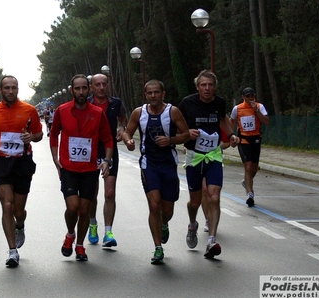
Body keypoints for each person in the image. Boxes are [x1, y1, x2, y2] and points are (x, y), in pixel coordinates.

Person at [0, 75, 43, 267]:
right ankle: (12, 251)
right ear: (1, 90)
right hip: (1, 163)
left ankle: (20, 225)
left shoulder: (29, 110)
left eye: (14, 88)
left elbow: (39, 134)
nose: (10, 91)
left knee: (18, 210)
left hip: (22, 163)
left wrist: (31, 136)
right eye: (6, 88)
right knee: (7, 205)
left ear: (18, 89)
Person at [123, 80, 190, 264]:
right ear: (145, 95)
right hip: (149, 164)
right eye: (150, 93)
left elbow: (186, 134)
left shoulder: (173, 111)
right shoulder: (139, 112)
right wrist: (129, 142)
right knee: (154, 205)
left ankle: (164, 223)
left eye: (156, 92)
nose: (153, 96)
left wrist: (170, 140)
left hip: (168, 164)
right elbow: (127, 132)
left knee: (167, 210)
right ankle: (158, 248)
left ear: (163, 94)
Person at [50, 74, 114, 262]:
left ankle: (79, 245)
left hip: (89, 170)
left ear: (89, 90)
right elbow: (54, 135)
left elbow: (108, 139)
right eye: (77, 88)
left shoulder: (97, 112)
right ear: (72, 90)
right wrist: (55, 158)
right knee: (73, 207)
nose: (80, 92)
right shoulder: (62, 110)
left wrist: (107, 160)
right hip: (68, 168)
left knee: (84, 210)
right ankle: (70, 234)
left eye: (84, 88)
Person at [178, 69, 239, 259]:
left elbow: (223, 120)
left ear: (214, 87)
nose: (207, 88)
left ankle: (212, 240)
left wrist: (231, 135)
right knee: (195, 201)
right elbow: (176, 124)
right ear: (197, 87)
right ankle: (192, 224)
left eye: (210, 85)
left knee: (214, 197)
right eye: (203, 85)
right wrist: (188, 132)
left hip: (213, 155)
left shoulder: (219, 102)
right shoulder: (187, 103)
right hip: (194, 156)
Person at [87, 73, 128, 247]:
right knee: (91, 194)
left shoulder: (115, 103)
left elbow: (123, 119)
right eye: (97, 84)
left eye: (104, 84)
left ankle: (108, 232)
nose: (101, 87)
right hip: (89, 152)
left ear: (108, 85)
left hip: (110, 150)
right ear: (92, 87)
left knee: (109, 193)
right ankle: (93, 223)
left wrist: (121, 128)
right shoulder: (86, 103)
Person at [230, 87, 269, 207]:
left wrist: (256, 111)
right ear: (243, 97)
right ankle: (250, 194)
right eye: (248, 96)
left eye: (252, 96)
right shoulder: (237, 109)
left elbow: (266, 121)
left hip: (256, 139)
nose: (250, 98)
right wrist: (230, 137)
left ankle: (246, 182)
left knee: (254, 168)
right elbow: (231, 122)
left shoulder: (260, 106)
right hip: (244, 140)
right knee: (248, 166)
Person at [202, 127, 230, 232]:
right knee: (204, 191)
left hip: (214, 159)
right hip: (197, 159)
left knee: (213, 196)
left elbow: (227, 142)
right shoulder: (194, 116)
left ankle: (212, 221)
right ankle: (207, 219)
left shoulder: (217, 119)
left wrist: (219, 146)